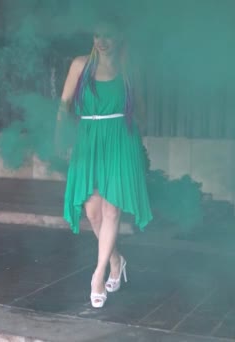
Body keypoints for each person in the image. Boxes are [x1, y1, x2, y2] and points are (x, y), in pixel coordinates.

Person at [56, 19, 153, 308]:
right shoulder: (80, 65)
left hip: (120, 141)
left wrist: (136, 144)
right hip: (88, 139)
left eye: (108, 35)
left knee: (112, 209)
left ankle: (98, 275)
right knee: (93, 212)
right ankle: (116, 260)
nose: (102, 40)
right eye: (98, 34)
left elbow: (141, 110)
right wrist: (60, 138)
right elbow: (64, 104)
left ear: (120, 36)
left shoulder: (128, 70)